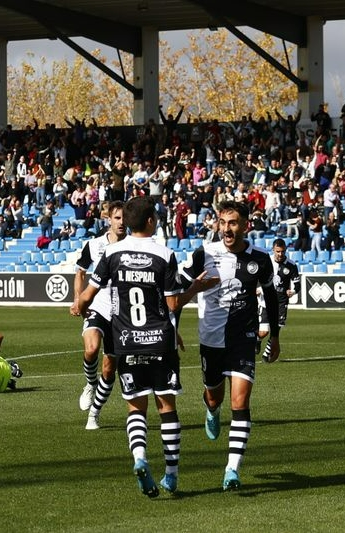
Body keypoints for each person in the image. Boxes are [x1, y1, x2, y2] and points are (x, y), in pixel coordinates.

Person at [75, 196, 214, 498]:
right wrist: (196, 288)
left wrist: (79, 306)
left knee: (135, 408)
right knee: (166, 407)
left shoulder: (111, 253)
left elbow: (87, 295)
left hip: (126, 341)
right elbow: (174, 303)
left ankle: (139, 458)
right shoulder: (165, 254)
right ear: (151, 221)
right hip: (160, 341)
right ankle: (172, 475)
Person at [179, 201, 280, 491]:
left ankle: (232, 469)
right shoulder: (203, 254)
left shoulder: (260, 259)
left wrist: (274, 336)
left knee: (240, 401)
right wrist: (171, 326)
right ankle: (211, 410)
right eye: (222, 222)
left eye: (233, 222)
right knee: (214, 396)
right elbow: (177, 288)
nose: (226, 228)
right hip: (211, 338)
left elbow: (272, 298)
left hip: (243, 338)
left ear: (246, 225)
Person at [69, 201, 127, 430]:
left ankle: (94, 414)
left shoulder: (135, 246)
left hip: (123, 311)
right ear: (109, 219)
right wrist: (77, 298)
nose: (121, 223)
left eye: (124, 219)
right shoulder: (95, 244)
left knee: (109, 368)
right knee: (91, 349)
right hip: (98, 304)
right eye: (117, 218)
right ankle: (90, 384)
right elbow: (80, 271)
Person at [258, 238, 299, 363]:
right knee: (263, 332)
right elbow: (255, 277)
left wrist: (293, 291)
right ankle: (257, 341)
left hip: (281, 302)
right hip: (265, 300)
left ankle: (266, 354)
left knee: (277, 329)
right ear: (273, 250)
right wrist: (258, 288)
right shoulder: (265, 261)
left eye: (282, 251)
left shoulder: (291, 265)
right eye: (278, 251)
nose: (280, 254)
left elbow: (298, 284)